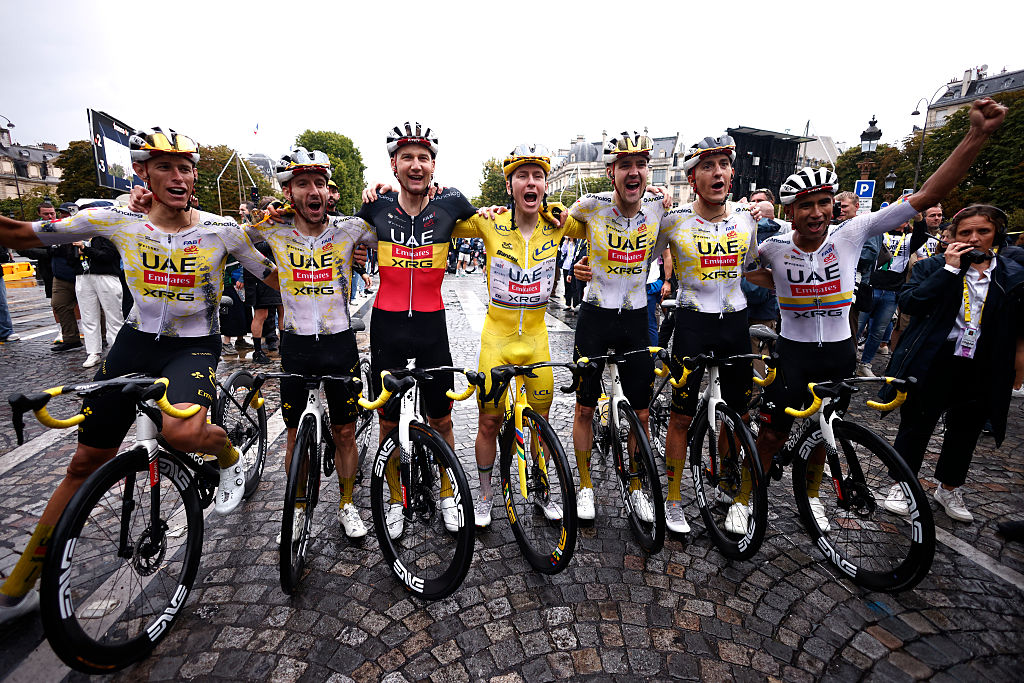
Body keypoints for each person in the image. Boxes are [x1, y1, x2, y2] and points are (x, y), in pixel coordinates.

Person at [0, 127, 278, 624]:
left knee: (182, 431)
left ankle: (228, 456)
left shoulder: (221, 228)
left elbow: (273, 276)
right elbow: (23, 235)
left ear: (194, 176)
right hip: (133, 345)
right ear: (142, 173)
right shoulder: (115, 219)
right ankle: (19, 584)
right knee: (84, 462)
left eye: (186, 167)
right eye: (165, 166)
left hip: (193, 346)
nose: (178, 176)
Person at [751, 98, 1008, 536]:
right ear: (789, 211)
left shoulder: (851, 232)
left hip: (837, 354)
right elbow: (746, 272)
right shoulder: (772, 248)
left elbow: (927, 195)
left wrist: (977, 134)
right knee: (772, 436)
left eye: (824, 202)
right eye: (806, 205)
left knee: (823, 436)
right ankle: (746, 495)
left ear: (834, 205)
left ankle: (812, 496)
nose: (817, 212)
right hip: (792, 354)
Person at [357, 122, 478, 532]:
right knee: (387, 422)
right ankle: (394, 499)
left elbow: (495, 220)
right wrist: (367, 191)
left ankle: (448, 494)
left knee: (442, 419)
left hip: (431, 326)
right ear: (394, 165)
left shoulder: (451, 204)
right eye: (406, 157)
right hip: (387, 324)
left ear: (432, 166)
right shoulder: (375, 208)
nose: (415, 165)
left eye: (423, 158)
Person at [450, 143, 576, 527]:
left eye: (537, 175)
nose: (531, 181)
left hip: (537, 341)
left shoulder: (559, 225)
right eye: (522, 175)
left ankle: (540, 489)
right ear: (509, 185)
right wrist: (382, 194)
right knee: (488, 421)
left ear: (545, 185)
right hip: (498, 341)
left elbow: (608, 214)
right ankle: (486, 495)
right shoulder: (490, 223)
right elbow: (440, 216)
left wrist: (657, 196)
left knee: (541, 421)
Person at [256, 147, 378, 539]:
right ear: (289, 192)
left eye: (320, 184)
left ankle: (346, 504)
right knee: (294, 434)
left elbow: (399, 227)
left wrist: (386, 194)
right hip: (295, 344)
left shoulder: (349, 230)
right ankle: (298, 507)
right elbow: (225, 237)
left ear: (330, 192)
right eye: (302, 184)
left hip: (338, 342)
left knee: (344, 431)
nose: (313, 191)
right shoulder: (273, 229)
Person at [881, 204, 1023, 523]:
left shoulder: (1010, 273)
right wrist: (949, 271)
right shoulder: (933, 266)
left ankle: (949, 486)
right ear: (952, 237)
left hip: (980, 359)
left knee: (966, 429)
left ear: (996, 234)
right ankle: (902, 484)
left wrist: (1017, 358)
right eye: (965, 232)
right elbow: (911, 302)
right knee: (917, 424)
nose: (974, 238)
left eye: (982, 231)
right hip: (935, 356)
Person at [560, 131, 669, 523]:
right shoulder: (589, 207)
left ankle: (637, 485)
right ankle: (586, 486)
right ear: (611, 172)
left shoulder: (659, 207)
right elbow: (555, 229)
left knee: (641, 414)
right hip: (595, 317)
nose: (634, 172)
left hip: (637, 319)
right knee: (585, 408)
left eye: (641, 164)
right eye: (625, 165)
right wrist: (574, 267)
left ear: (648, 170)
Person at [654, 135, 759, 534]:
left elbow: (752, 264)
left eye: (723, 165)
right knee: (680, 416)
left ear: (731, 174)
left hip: (735, 323)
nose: (717, 172)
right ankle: (674, 497)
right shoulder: (674, 218)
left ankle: (729, 485)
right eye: (708, 166)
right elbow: (636, 253)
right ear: (693, 178)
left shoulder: (746, 219)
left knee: (739, 415)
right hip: (693, 323)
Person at [73, 227, 124, 368]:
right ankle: (93, 352)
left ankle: (117, 351)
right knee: (88, 316)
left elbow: (107, 256)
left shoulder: (108, 235)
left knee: (114, 316)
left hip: (106, 276)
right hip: (83, 276)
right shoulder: (77, 235)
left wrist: (85, 249)